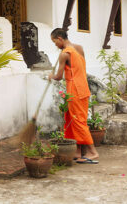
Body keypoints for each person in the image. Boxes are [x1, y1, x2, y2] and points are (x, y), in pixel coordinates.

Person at [50, 28, 99, 164]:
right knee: (71, 119)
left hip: (74, 90)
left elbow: (59, 77)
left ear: (60, 39)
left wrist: (51, 76)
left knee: (77, 121)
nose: (55, 45)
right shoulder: (79, 48)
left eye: (55, 42)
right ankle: (77, 151)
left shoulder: (64, 54)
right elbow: (80, 68)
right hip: (83, 87)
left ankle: (92, 152)